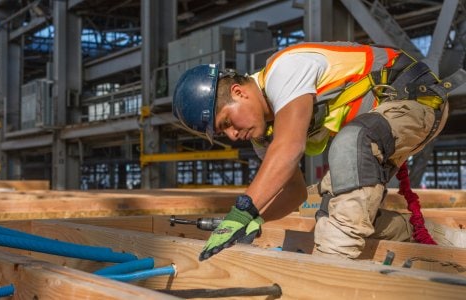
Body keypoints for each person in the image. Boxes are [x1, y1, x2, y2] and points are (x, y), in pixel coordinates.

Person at [171, 41, 462, 261]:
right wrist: (257, 219)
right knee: (334, 209)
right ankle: (448, 243)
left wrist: (242, 211)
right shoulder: (264, 136)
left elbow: (289, 148)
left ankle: (327, 271)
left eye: (227, 122)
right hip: (382, 126)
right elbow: (293, 193)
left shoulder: (285, 71)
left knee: (351, 144)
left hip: (417, 99)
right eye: (224, 133)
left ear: (238, 92)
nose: (233, 135)